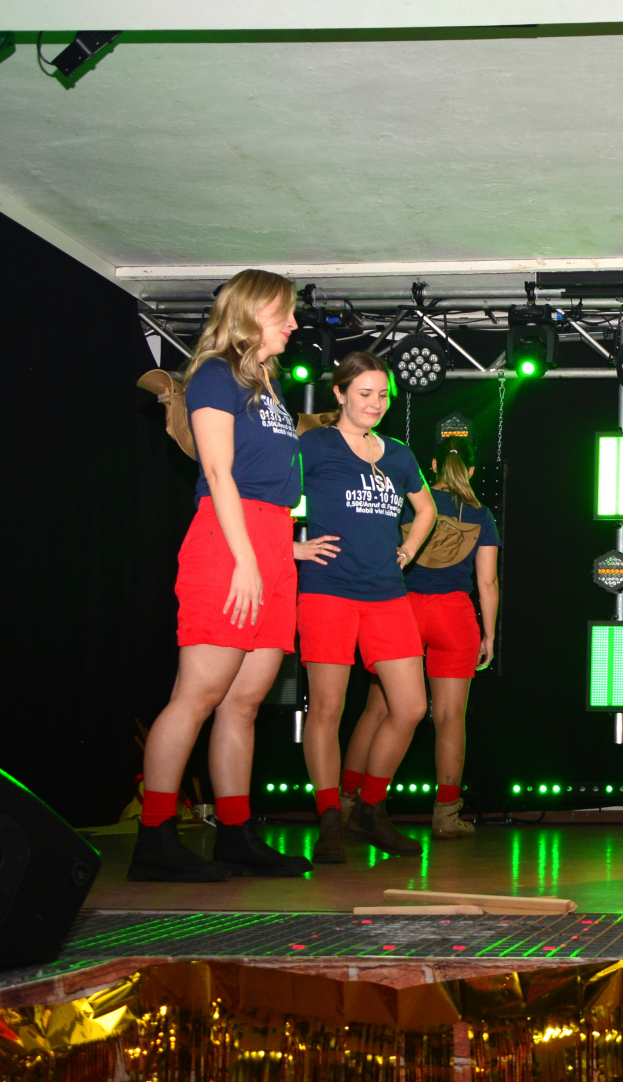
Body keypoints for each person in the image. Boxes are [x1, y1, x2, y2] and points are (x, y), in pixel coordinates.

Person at [131, 269, 322, 882]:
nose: (293, 324)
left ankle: (236, 834)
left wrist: (281, 551)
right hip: (227, 543)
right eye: (283, 313)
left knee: (244, 702)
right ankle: (154, 838)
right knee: (198, 695)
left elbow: (272, 484)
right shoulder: (215, 374)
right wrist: (245, 559)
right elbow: (218, 474)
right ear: (249, 312)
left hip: (268, 543)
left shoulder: (268, 384)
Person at [295, 352, 437, 863]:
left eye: (382, 395)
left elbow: (426, 509)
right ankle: (330, 818)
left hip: (386, 595)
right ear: (339, 394)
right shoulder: (314, 445)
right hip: (328, 590)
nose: (375, 403)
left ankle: (370, 811)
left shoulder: (397, 454)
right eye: (364, 394)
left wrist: (408, 550)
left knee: (411, 707)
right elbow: (266, 498)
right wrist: (293, 548)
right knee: (327, 709)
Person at [342, 440, 499, 840]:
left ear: (432, 465)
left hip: (402, 611)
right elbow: (487, 582)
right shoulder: (481, 514)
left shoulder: (409, 504)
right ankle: (446, 815)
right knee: (450, 718)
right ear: (473, 471)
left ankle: (348, 805)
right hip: (455, 617)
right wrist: (490, 634)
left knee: (377, 710)